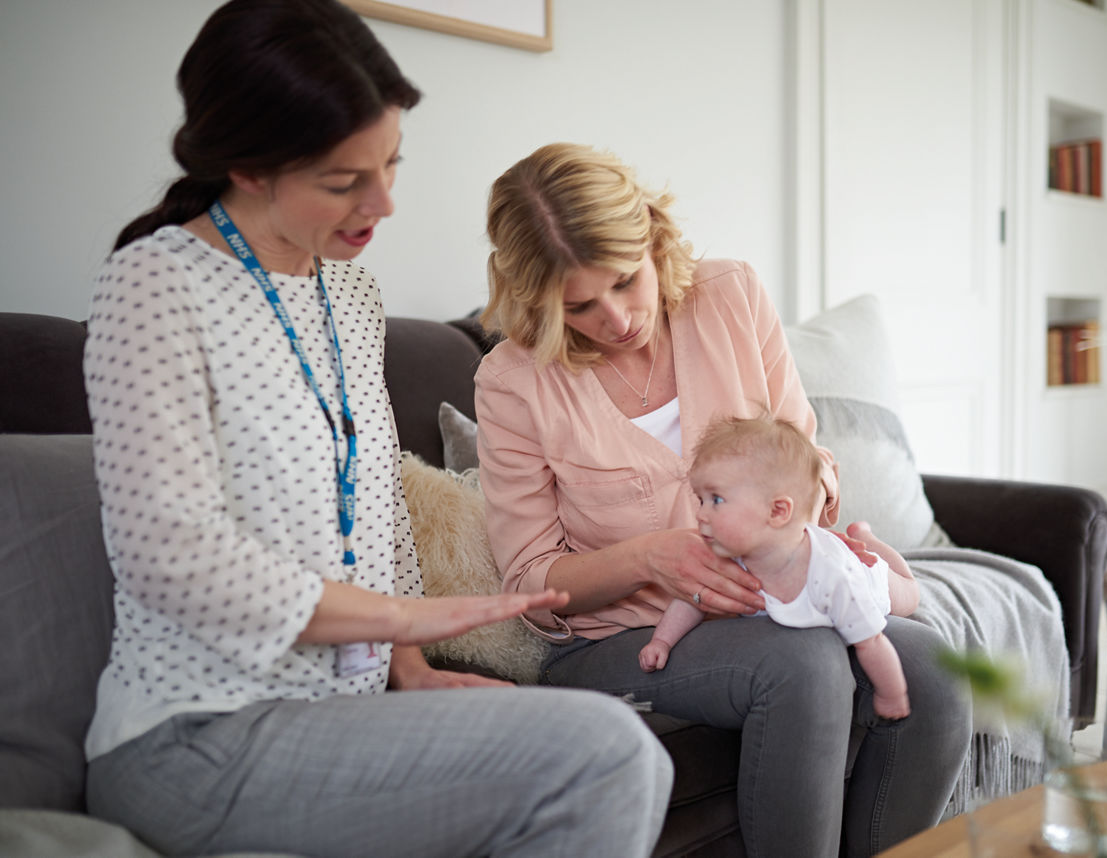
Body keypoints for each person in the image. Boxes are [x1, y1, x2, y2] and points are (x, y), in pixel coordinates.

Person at [82, 4, 671, 857]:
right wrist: (404, 622)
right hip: (196, 734)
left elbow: (375, 514)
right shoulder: (154, 285)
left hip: (342, 716)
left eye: (391, 163)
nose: (384, 202)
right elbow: (170, 555)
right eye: (342, 181)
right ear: (247, 167)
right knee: (606, 757)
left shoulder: (351, 297)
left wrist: (413, 670)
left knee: (626, 749)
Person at [475, 141, 972, 857]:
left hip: (784, 599)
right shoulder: (514, 381)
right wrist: (650, 557)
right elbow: (530, 579)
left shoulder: (729, 296)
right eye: (578, 305)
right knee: (801, 669)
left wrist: (816, 508)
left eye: (625, 282)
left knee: (933, 674)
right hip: (627, 637)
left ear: (652, 237)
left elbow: (807, 452)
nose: (614, 319)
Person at [639, 414, 915, 721]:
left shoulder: (834, 578)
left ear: (777, 511)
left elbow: (872, 643)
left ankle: (867, 537)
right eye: (700, 499)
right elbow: (692, 598)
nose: (701, 515)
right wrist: (662, 641)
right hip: (806, 544)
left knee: (909, 594)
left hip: (866, 575)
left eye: (716, 499)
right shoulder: (728, 553)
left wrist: (892, 694)